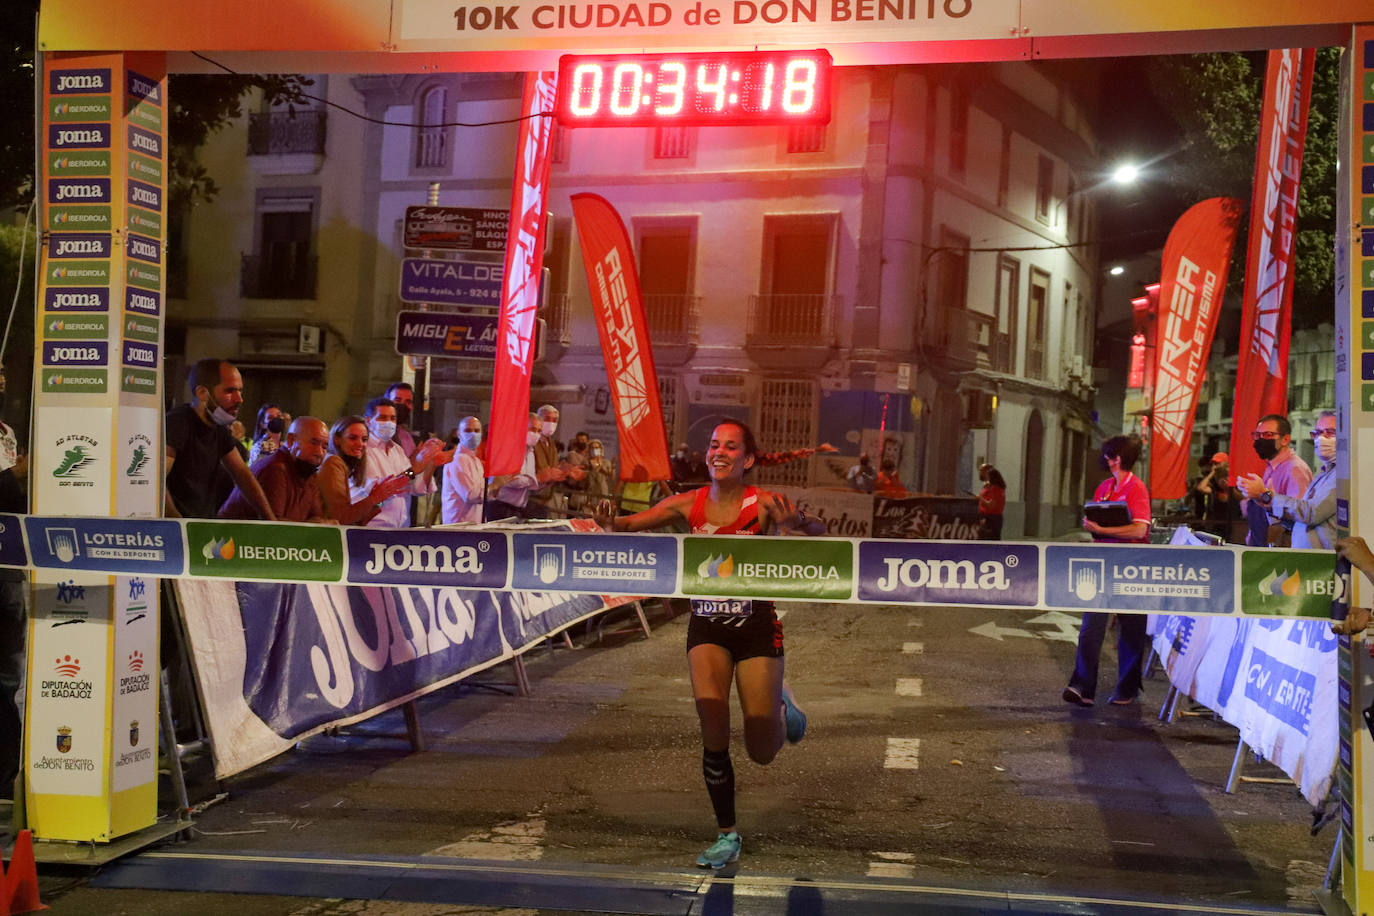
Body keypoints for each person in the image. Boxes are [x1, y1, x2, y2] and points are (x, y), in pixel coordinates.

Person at [593, 419, 823, 870]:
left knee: (761, 752)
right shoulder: (686, 503)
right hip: (707, 629)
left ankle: (780, 704)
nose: (719, 452)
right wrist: (608, 521)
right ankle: (727, 834)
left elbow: (819, 536)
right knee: (713, 726)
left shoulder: (764, 504)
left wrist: (795, 522)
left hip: (757, 628)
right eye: (714, 445)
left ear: (748, 460)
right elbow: (625, 524)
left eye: (731, 447)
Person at [1063, 434, 1150, 708]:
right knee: (1091, 626)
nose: (1104, 459)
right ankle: (1082, 687)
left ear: (1117, 458)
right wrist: (1092, 531)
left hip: (1131, 566)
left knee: (1131, 627)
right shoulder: (1104, 488)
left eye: (1107, 454)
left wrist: (1102, 530)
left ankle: (1126, 689)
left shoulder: (1137, 488)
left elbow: (1140, 528)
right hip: (1102, 565)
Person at [165, 358, 276, 521]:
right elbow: (156, 481)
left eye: (240, 391)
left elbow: (242, 474)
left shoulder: (218, 427)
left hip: (202, 525)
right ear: (202, 393)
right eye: (230, 391)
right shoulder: (178, 423)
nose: (239, 399)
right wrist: (178, 523)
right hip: (177, 531)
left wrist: (269, 519)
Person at [1240, 410, 1337, 550]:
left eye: (1329, 432)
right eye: (1317, 433)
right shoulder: (1324, 474)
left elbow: (1309, 513)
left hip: (1316, 562)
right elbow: (1297, 520)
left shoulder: (1297, 468)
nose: (1321, 439)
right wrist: (1261, 500)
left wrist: (1266, 496)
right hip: (1303, 558)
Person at [353, 397, 449, 528]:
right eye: (383, 418)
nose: (389, 423)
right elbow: (381, 490)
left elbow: (416, 488)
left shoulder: (397, 450)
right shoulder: (363, 450)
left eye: (392, 418)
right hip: (372, 528)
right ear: (368, 421)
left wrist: (430, 461)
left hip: (401, 528)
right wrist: (413, 470)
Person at [218, 416, 333, 523]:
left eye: (324, 446)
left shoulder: (309, 472)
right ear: (291, 440)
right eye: (314, 443)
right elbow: (273, 528)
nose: (320, 452)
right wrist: (312, 525)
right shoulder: (275, 469)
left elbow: (318, 518)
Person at [0, 370, 25, 799]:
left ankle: (5, 780)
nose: (2, 383)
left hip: (8, 572)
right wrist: (21, 473)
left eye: (4, 377)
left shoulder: (7, 433)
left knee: (8, 680)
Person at [317, 416, 411, 525]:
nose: (360, 444)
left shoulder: (397, 449)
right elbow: (340, 517)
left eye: (364, 439)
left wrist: (378, 500)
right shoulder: (334, 462)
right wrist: (413, 471)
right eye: (353, 438)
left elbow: (407, 482)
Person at [1237, 414, 1314, 547]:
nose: (1261, 440)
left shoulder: (1295, 468)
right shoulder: (1273, 466)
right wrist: (1254, 499)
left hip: (1282, 550)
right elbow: (1271, 500)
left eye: (1267, 435)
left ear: (1285, 439)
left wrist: (1262, 494)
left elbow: (1300, 512)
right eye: (1257, 435)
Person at [488, 412, 545, 521]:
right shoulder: (509, 448)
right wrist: (536, 479)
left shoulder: (530, 452)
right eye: (532, 429)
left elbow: (527, 481)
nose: (536, 434)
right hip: (501, 506)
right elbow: (512, 480)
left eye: (539, 431)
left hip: (518, 508)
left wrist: (543, 481)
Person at [529, 404, 583, 517]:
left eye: (555, 420)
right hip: (530, 496)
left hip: (546, 497)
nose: (551, 423)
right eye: (547, 419)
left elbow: (552, 467)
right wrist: (546, 474)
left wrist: (565, 470)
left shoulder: (551, 442)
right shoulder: (531, 440)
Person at [442, 416, 487, 524]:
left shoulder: (476, 461)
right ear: (458, 433)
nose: (473, 435)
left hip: (472, 525)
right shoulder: (457, 459)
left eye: (477, 431)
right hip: (458, 526)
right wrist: (493, 487)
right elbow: (470, 495)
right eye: (468, 430)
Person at [384, 382, 419, 458]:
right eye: (397, 400)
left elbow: (410, 469)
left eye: (408, 402)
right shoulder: (372, 436)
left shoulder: (406, 438)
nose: (402, 405)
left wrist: (432, 462)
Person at [978, 464, 1006, 540]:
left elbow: (991, 505)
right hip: (991, 517)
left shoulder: (995, 489)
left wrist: (980, 498)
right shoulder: (995, 488)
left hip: (991, 517)